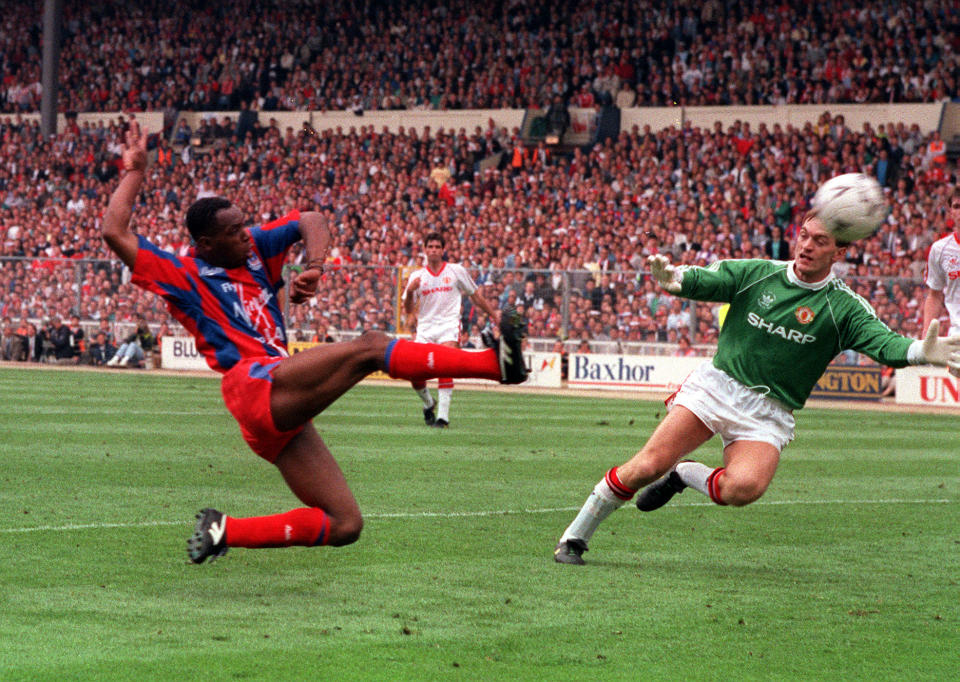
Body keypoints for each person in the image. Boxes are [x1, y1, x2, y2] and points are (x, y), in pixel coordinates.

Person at [102, 121, 528, 564]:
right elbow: (115, 231)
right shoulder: (183, 276)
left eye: (244, 225)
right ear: (206, 244)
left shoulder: (255, 252)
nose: (246, 234)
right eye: (233, 232)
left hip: (275, 401)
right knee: (368, 346)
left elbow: (312, 219)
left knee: (345, 524)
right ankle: (495, 365)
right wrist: (134, 171)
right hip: (253, 384)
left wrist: (316, 266)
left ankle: (223, 530)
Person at [553, 211, 960, 565]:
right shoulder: (757, 273)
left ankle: (684, 475)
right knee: (645, 467)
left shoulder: (845, 308)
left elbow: (885, 344)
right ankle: (574, 537)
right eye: (804, 235)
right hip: (717, 387)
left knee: (743, 490)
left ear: (839, 254)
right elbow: (706, 279)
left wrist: (920, 351)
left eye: (820, 242)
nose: (807, 246)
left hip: (769, 412)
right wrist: (674, 280)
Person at [402, 232, 501, 428]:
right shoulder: (417, 276)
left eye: (438, 247)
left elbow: (475, 296)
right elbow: (408, 309)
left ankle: (443, 418)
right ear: (425, 250)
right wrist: (411, 291)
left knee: (445, 364)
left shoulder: (456, 271)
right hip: (425, 329)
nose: (434, 250)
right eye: (430, 247)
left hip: (449, 325)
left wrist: (493, 314)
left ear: (443, 250)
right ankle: (429, 403)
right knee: (415, 375)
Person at [921, 193, 960, 339]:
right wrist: (926, 334)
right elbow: (935, 295)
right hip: (957, 338)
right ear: (950, 212)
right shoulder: (940, 249)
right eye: (957, 207)